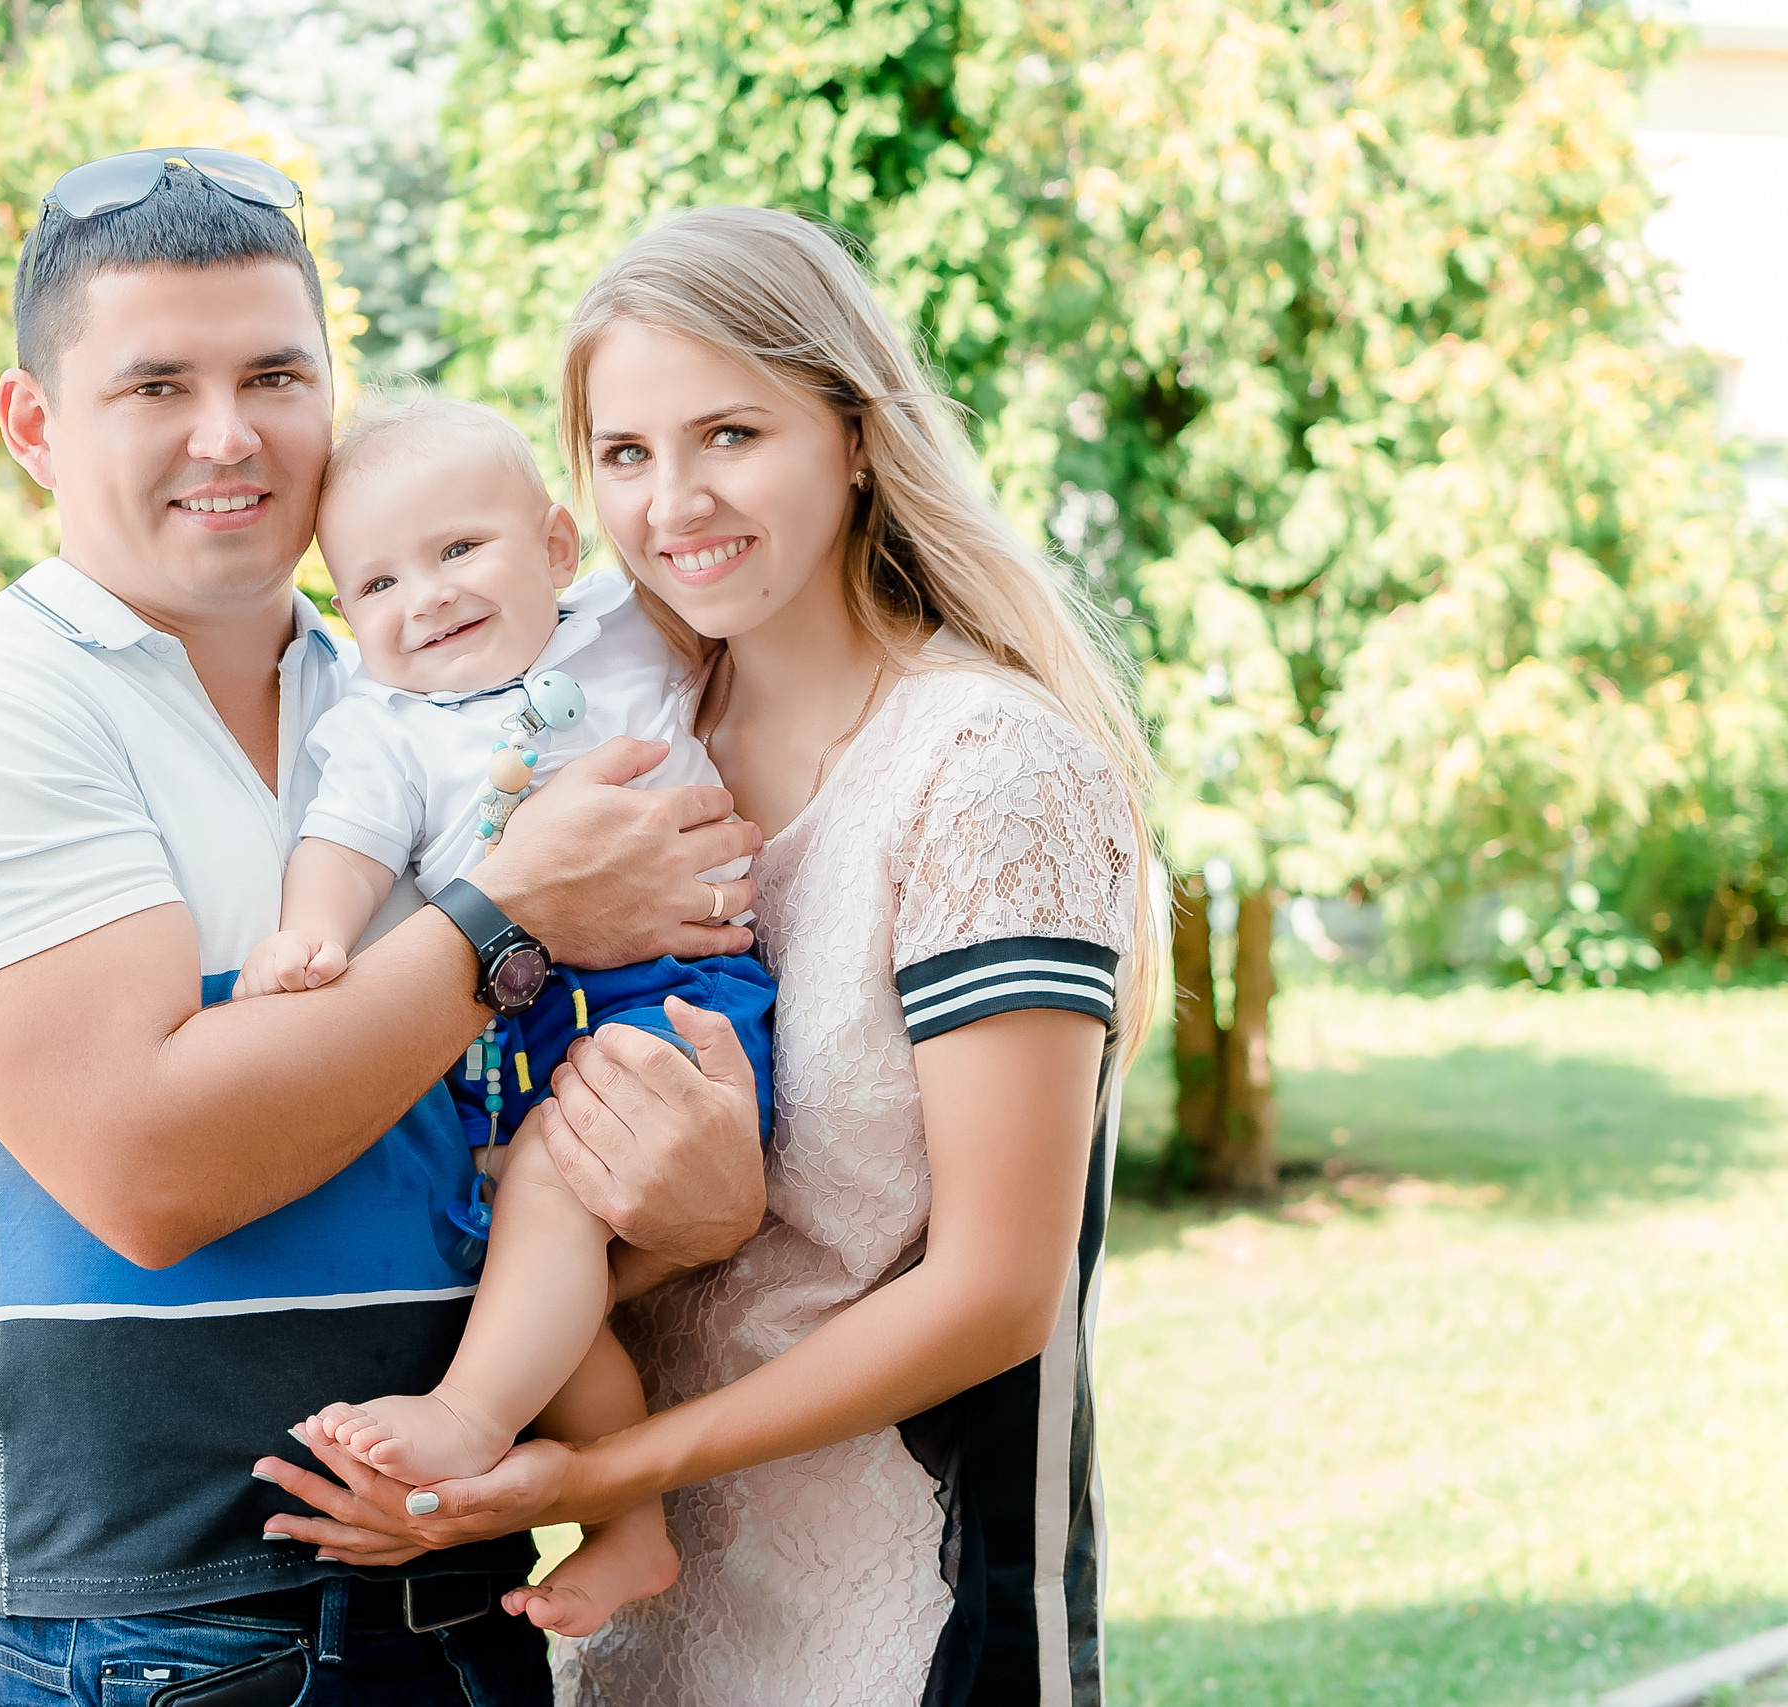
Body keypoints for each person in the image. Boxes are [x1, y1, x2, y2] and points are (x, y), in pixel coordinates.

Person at [0, 151, 769, 1706]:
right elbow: (153, 1165)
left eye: (276, 372)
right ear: (36, 429)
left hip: (467, 1598)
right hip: (161, 1630)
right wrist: (511, 907)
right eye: (154, 385)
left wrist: (702, 1198)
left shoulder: (415, 686)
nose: (229, 433)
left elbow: (525, 1125)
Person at [256, 205, 1162, 1707]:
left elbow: (999, 1295)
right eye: (624, 454)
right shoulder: (618, 729)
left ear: (857, 434)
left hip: (915, 1623)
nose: (673, 502)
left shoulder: (989, 767)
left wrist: (599, 1469)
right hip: (640, 1641)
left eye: (731, 432)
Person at [232, 396, 776, 1638]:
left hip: (672, 994)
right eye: (375, 582)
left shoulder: (620, 631)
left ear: (553, 547)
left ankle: (475, 1419)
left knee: (545, 1195)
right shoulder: (379, 729)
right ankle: (630, 1523)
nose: (423, 597)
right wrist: (311, 932)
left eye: (458, 551)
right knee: (531, 1263)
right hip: (517, 1023)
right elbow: (343, 844)